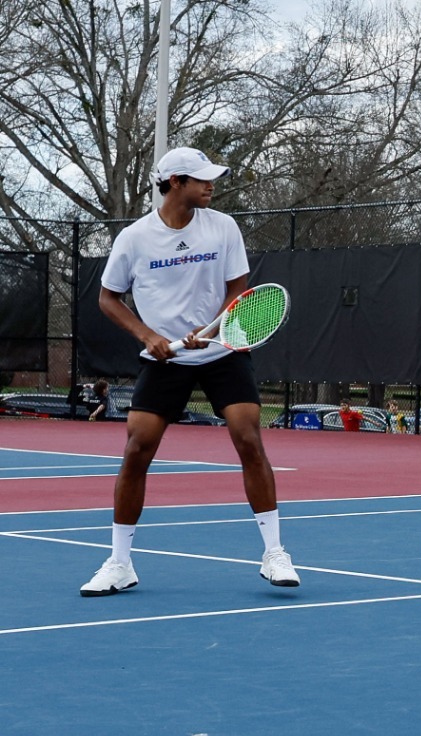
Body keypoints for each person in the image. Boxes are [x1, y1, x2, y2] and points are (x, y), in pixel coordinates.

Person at [80, 147, 299, 596]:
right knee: (137, 447)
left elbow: (239, 290)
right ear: (175, 182)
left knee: (248, 437)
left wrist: (215, 327)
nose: (211, 185)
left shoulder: (223, 227)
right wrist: (147, 336)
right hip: (165, 360)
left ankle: (275, 553)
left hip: (221, 352)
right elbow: (108, 298)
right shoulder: (135, 238)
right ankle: (120, 562)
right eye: (201, 180)